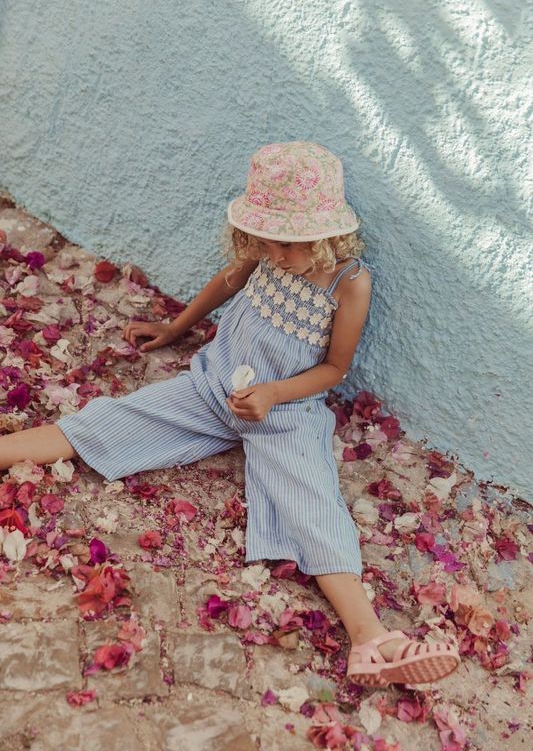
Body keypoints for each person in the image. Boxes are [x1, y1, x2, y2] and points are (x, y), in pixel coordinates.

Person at [0, 141, 460, 687]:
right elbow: (228, 281)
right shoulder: (265, 253)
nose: (278, 255)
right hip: (212, 388)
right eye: (266, 243)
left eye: (289, 246)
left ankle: (371, 641)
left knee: (312, 504)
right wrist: (176, 328)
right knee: (112, 420)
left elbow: (334, 369)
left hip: (285, 412)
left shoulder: (349, 283)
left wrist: (271, 396)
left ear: (329, 232)